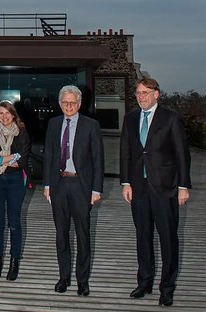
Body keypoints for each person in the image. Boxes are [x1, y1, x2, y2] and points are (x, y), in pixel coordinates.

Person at [120, 77, 191, 307]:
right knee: (143, 237)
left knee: (168, 238)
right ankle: (144, 282)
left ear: (156, 94)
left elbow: (182, 154)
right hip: (138, 189)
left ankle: (167, 288)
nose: (141, 97)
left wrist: (182, 187)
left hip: (165, 189)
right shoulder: (130, 119)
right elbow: (125, 153)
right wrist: (125, 183)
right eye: (138, 93)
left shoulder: (170, 119)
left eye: (146, 92)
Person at [43, 85, 104, 297]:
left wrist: (96, 189)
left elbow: (98, 160)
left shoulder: (91, 125)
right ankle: (64, 277)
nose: (69, 106)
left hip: (81, 186)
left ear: (79, 104)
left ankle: (82, 280)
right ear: (60, 104)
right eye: (65, 102)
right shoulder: (53, 124)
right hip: (58, 185)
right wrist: (47, 185)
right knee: (61, 235)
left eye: (73, 102)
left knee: (83, 234)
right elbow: (49, 156)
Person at [0, 100, 31, 281]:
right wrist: (10, 157)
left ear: (13, 115)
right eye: (1, 113)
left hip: (16, 182)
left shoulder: (22, 134)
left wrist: (0, 157)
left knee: (14, 222)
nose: (4, 117)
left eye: (7, 113)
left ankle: (14, 260)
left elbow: (22, 162)